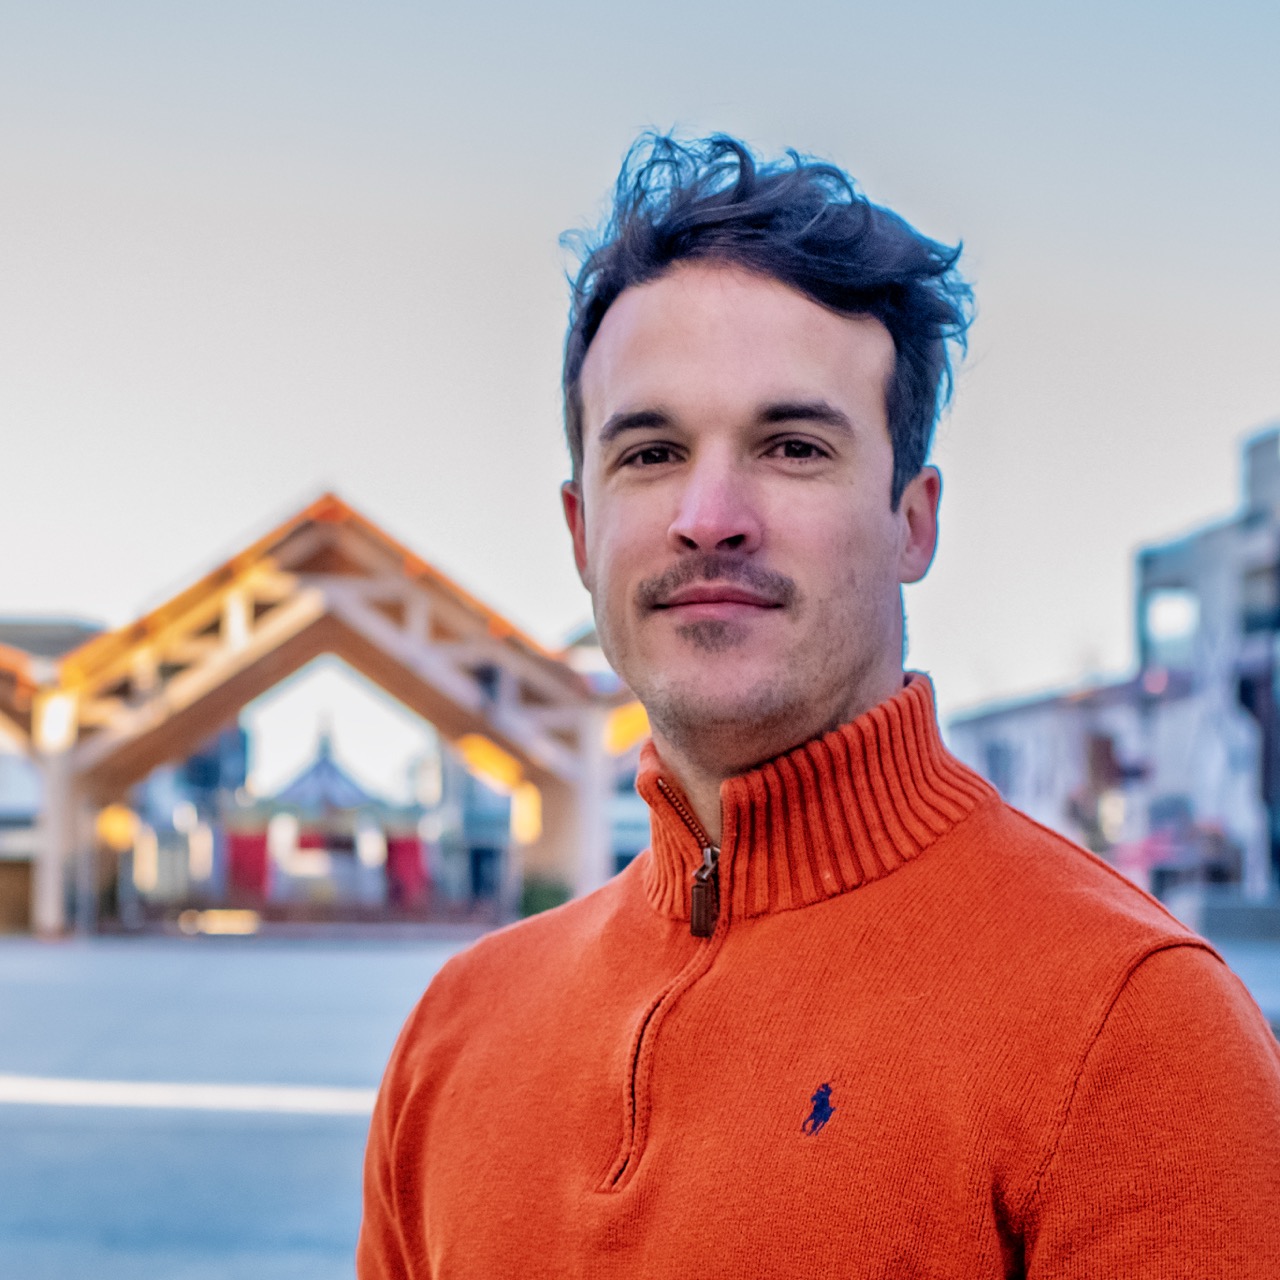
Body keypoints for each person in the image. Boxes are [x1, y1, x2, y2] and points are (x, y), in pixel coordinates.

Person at [359, 135, 1280, 1277]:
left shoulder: (1133, 1031)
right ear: (581, 530)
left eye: (792, 446)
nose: (709, 516)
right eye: (649, 452)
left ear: (912, 522)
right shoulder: (454, 1035)